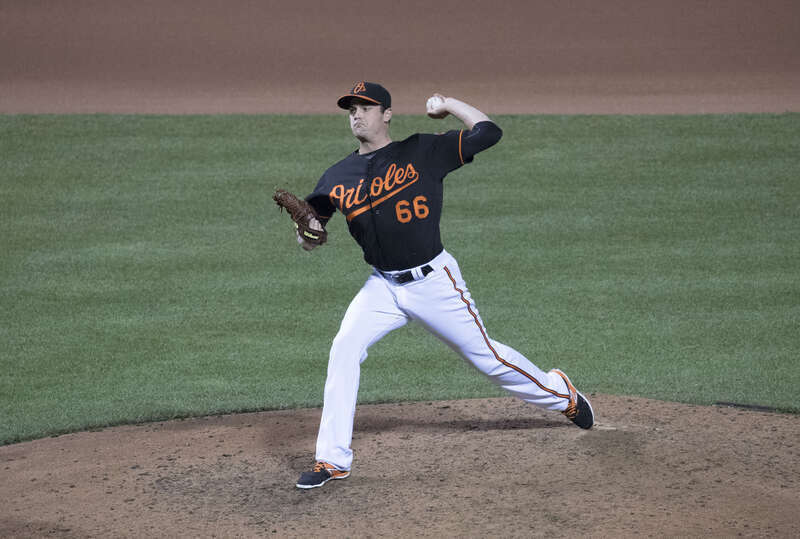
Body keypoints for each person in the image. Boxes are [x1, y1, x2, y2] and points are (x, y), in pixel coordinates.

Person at [294, 82, 594, 489]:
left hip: (434, 282)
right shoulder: (336, 176)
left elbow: (488, 133)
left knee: (487, 357)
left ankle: (562, 394)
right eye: (352, 109)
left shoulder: (422, 151)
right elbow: (314, 227)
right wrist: (308, 233)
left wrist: (449, 104)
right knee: (344, 347)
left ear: (387, 114)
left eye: (367, 107)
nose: (357, 115)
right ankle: (332, 460)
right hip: (382, 287)